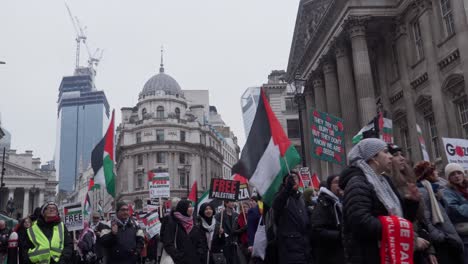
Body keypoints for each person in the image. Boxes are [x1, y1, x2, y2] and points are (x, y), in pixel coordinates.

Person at [339, 138, 418, 264]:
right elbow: (360, 222)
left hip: (392, 252)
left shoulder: (386, 181)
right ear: (373, 158)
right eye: (385, 152)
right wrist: (393, 227)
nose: (390, 157)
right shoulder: (358, 183)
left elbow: (403, 220)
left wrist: (412, 203)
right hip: (370, 256)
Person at [414, 161, 464, 264]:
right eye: (434, 170)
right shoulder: (423, 192)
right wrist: (443, 237)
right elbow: (425, 219)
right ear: (428, 174)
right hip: (443, 243)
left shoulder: (434, 190)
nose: (437, 172)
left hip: (447, 238)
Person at [272, 171, 310, 264]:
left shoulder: (301, 198)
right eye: (291, 179)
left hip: (304, 249)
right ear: (285, 182)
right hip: (290, 250)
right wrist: (288, 188)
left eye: (296, 178)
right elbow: (277, 205)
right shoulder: (281, 197)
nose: (294, 181)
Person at [310, 174, 344, 264]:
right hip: (329, 254)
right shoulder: (323, 203)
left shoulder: (341, 202)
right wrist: (339, 235)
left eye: (341, 182)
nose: (339, 184)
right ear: (329, 185)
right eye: (336, 182)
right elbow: (317, 230)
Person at [161, 199, 205, 264]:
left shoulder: (194, 222)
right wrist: (178, 256)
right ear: (183, 208)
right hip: (179, 261)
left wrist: (199, 253)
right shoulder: (172, 222)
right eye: (189, 207)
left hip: (194, 260)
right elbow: (168, 242)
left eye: (191, 206)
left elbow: (200, 241)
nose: (191, 208)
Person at [443, 163, 468, 263]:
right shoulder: (448, 192)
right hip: (464, 235)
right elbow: (454, 209)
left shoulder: (466, 188)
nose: (457, 176)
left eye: (459, 173)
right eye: (453, 174)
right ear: (449, 178)